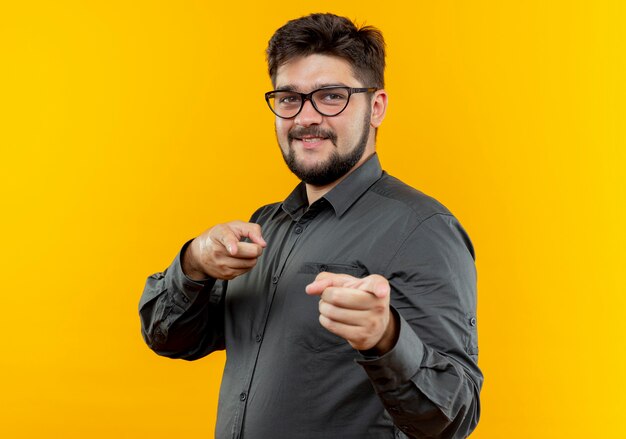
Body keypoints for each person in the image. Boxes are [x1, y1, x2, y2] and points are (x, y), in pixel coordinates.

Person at [139, 12, 482, 439]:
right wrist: (194, 265)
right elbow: (168, 338)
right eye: (289, 98)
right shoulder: (264, 226)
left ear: (375, 107)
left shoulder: (424, 230)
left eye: (331, 96)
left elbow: (455, 416)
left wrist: (386, 337)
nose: (305, 118)